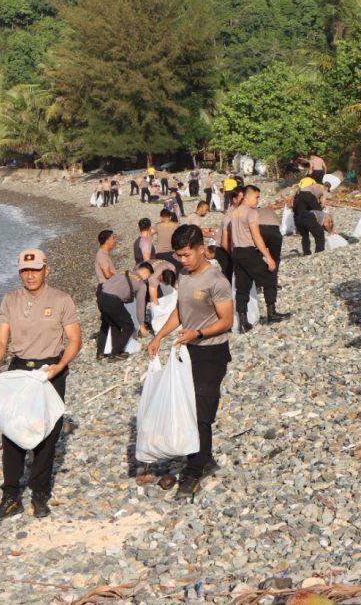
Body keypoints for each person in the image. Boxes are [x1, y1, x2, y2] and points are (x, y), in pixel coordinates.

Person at [0, 249, 81, 520]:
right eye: (25, 271)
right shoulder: (10, 300)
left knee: (47, 433)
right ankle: (11, 494)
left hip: (50, 369)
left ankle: (39, 493)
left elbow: (75, 339)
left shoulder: (61, 299)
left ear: (46, 270)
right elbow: (0, 340)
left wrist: (60, 366)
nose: (30, 275)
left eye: (35, 270)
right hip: (18, 370)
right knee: (11, 431)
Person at [145, 225, 234, 500]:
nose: (182, 260)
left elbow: (226, 321)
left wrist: (199, 333)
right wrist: (159, 336)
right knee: (186, 408)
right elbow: (181, 311)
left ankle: (194, 471)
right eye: (178, 255)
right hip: (188, 351)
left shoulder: (216, 281)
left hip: (212, 353)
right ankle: (203, 458)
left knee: (201, 413)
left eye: (186, 255)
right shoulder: (183, 276)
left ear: (200, 248)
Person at [224, 185, 288, 330]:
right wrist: (268, 257)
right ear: (247, 196)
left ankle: (243, 321)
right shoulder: (251, 213)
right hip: (248, 251)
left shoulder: (235, 213)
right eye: (256, 197)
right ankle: (272, 313)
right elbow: (256, 236)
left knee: (243, 286)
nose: (258, 200)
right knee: (270, 278)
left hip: (237, 253)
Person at [97, 263, 153, 359]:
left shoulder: (123, 272)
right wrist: (142, 325)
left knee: (112, 323)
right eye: (148, 277)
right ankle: (115, 353)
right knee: (129, 326)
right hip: (113, 300)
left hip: (100, 295)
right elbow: (140, 305)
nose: (147, 279)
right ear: (146, 273)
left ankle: (100, 353)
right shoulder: (142, 284)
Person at [293, 179, 327, 255]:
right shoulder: (313, 193)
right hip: (307, 216)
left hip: (298, 218)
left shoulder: (297, 194)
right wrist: (322, 206)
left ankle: (306, 252)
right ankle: (319, 253)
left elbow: (295, 209)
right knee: (319, 233)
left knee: (305, 236)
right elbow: (318, 210)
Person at [254, 199, 285, 272]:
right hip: (275, 230)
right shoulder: (269, 209)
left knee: (257, 254)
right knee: (275, 256)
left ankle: (259, 273)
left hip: (261, 229)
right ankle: (273, 275)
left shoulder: (253, 211)